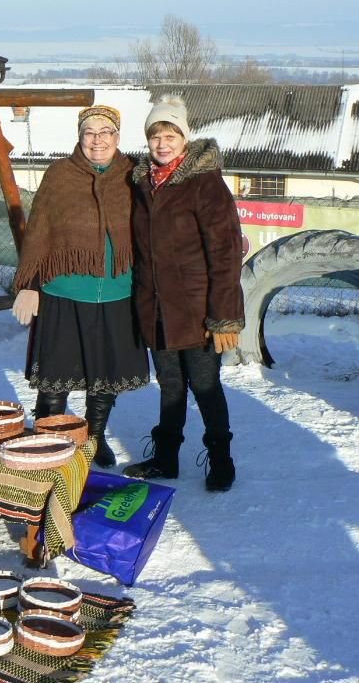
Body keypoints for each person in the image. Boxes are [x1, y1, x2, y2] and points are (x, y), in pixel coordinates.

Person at [12, 105, 149, 468]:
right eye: (90, 132)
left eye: (105, 132)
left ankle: (94, 437)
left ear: (117, 137)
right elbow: (39, 230)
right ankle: (48, 437)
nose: (97, 140)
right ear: (79, 136)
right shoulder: (60, 174)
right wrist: (29, 284)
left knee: (104, 375)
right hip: (64, 291)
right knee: (55, 375)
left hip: (118, 291)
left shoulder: (134, 174)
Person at [123, 96, 244, 491]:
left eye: (170, 135)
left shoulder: (205, 183)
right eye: (155, 136)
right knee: (171, 386)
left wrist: (223, 316)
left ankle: (221, 460)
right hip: (157, 306)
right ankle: (166, 458)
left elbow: (225, 251)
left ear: (184, 139)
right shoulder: (143, 183)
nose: (162, 144)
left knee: (206, 387)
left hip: (197, 308)